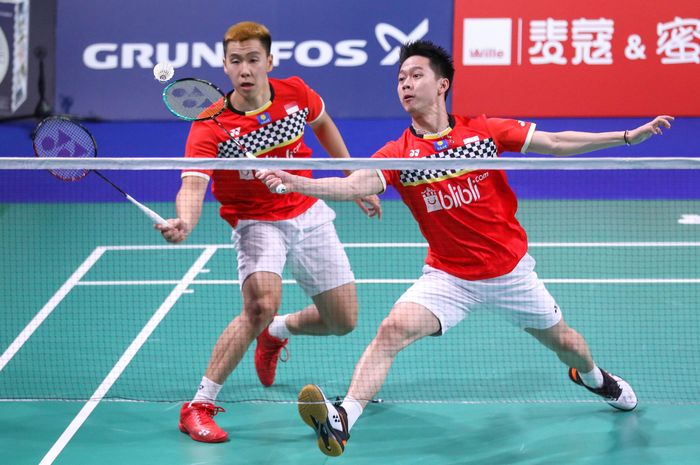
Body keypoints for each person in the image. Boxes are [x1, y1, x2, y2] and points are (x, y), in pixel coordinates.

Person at [257, 40, 674, 457]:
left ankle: (592, 377)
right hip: (449, 277)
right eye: (400, 78)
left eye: (416, 75)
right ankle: (343, 417)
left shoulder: (482, 132)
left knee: (570, 345)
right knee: (391, 331)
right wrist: (297, 182)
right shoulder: (399, 154)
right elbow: (353, 185)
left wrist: (625, 137)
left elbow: (556, 142)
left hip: (510, 274)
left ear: (442, 85)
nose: (405, 84)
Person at [156, 21, 381, 443]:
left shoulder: (295, 93)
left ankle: (278, 333)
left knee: (344, 320)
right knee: (259, 305)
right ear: (225, 66)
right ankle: (198, 405)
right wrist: (185, 220)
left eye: (253, 60)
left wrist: (352, 178)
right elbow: (193, 184)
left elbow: (325, 124)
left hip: (307, 208)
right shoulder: (210, 125)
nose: (245, 69)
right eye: (236, 61)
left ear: (269, 61)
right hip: (255, 219)